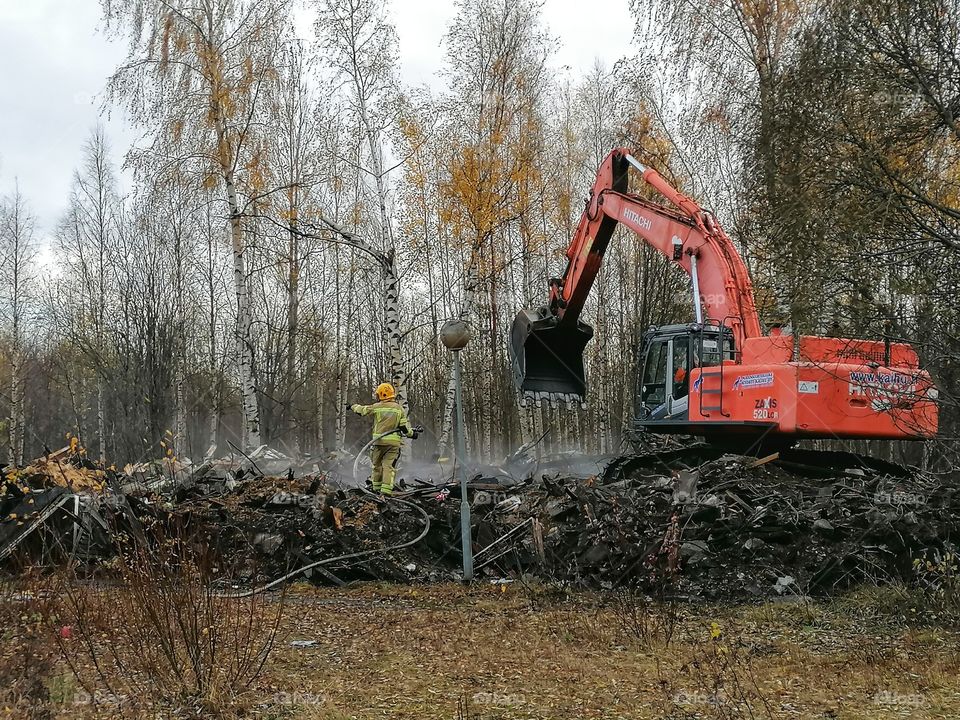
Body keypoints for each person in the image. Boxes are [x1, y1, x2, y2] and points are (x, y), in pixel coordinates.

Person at [348, 383, 416, 495]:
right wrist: (412, 434)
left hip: (378, 442)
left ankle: (375, 490)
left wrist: (352, 406)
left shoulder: (377, 406)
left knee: (376, 466)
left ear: (381, 394)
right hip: (393, 444)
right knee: (388, 466)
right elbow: (404, 428)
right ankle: (385, 492)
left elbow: (363, 410)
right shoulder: (399, 409)